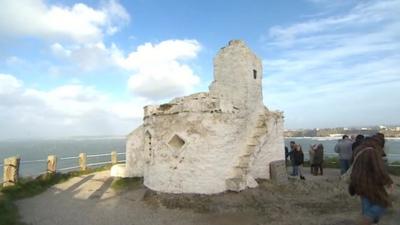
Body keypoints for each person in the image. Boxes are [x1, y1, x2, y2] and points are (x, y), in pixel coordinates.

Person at [349, 138, 394, 225]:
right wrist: (388, 181)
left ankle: (368, 219)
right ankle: (365, 220)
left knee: (366, 201)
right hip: (369, 182)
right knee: (383, 203)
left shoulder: (358, 149)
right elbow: (379, 169)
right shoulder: (372, 151)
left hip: (357, 180)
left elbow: (352, 163)